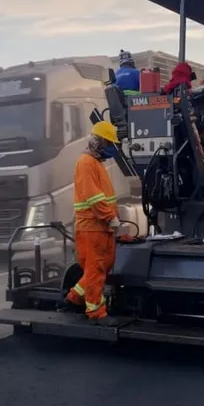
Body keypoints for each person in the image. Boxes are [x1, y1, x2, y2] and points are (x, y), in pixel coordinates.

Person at [61, 121, 126, 326]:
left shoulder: (94, 163)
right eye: (109, 144)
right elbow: (93, 197)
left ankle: (75, 297)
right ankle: (96, 313)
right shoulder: (87, 163)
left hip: (99, 227)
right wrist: (110, 217)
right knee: (96, 269)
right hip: (93, 226)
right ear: (99, 143)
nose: (111, 149)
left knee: (99, 268)